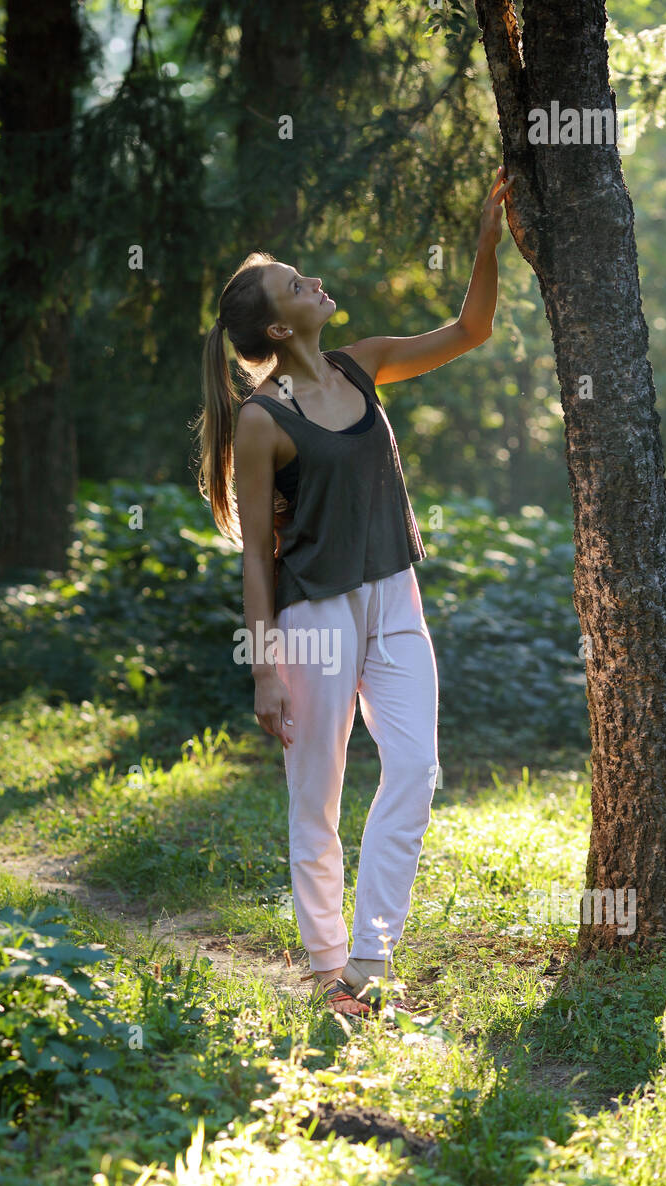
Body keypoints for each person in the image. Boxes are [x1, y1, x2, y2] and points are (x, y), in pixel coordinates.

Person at [196, 169, 512, 1016]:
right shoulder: (264, 421)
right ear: (276, 323)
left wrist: (486, 244)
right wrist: (264, 669)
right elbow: (258, 558)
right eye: (296, 284)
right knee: (318, 792)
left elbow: (470, 329)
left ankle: (371, 957)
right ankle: (328, 965)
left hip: (395, 597)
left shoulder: (358, 367)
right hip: (312, 618)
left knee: (416, 765)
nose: (315, 283)